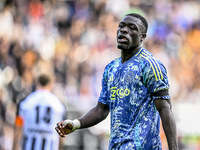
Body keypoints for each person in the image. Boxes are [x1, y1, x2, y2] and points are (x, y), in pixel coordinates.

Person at [55, 13, 178, 150]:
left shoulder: (150, 65)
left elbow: (165, 108)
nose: (124, 30)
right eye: (121, 27)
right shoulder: (111, 68)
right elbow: (101, 110)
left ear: (142, 36)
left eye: (132, 28)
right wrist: (75, 124)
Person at [13, 73, 67, 150]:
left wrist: (14, 146)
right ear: (51, 84)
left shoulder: (25, 102)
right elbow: (62, 134)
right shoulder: (59, 105)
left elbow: (18, 127)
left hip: (29, 146)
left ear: (37, 83)